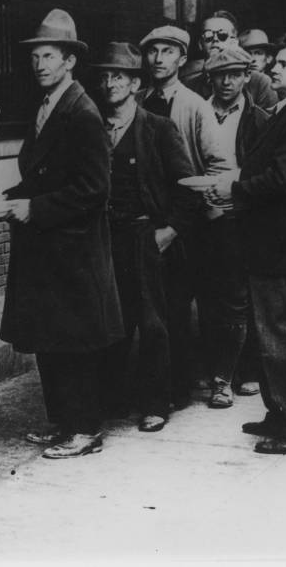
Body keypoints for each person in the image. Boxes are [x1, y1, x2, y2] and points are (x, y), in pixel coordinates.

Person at [0, 9, 124, 459]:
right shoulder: (50, 106)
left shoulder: (82, 113)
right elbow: (43, 175)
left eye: (49, 56)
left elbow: (94, 189)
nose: (39, 65)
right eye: (35, 56)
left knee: (74, 342)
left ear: (70, 60)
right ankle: (63, 423)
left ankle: (85, 428)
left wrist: (32, 207)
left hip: (73, 250)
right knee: (51, 338)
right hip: (49, 247)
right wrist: (12, 197)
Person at [210, 33, 286, 455]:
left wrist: (233, 187)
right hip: (272, 243)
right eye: (274, 62)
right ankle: (280, 415)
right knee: (271, 338)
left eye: (284, 64)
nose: (274, 68)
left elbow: (282, 179)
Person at [92, 41, 197, 433]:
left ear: (135, 82)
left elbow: (187, 187)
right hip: (104, 239)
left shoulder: (158, 128)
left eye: (118, 76)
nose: (109, 83)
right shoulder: (94, 125)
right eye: (103, 76)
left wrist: (168, 231)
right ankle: (112, 399)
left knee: (153, 324)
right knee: (111, 320)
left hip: (144, 236)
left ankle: (157, 403)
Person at [137, 24, 228, 409]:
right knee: (149, 308)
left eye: (168, 52)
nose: (159, 59)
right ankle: (151, 384)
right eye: (152, 51)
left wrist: (198, 213)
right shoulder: (137, 99)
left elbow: (220, 163)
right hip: (148, 217)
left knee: (179, 306)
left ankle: (182, 385)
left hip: (187, 221)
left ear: (182, 59)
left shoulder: (194, 105)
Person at [199, 47, 268, 407]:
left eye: (235, 74)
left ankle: (228, 377)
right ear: (209, 78)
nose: (227, 82)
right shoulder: (198, 112)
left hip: (239, 218)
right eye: (220, 75)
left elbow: (262, 173)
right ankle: (215, 368)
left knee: (237, 298)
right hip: (202, 217)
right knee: (207, 297)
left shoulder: (259, 119)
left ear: (246, 77)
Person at [194, 10, 279, 110]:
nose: (215, 40)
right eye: (208, 36)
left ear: (234, 42)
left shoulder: (260, 83)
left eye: (222, 35)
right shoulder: (191, 85)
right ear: (200, 44)